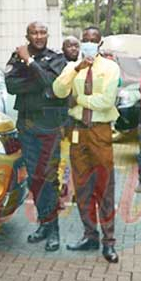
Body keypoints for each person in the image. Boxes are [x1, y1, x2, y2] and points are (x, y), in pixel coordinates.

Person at [52, 26, 121, 263]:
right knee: (82, 186)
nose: (89, 43)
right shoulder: (72, 67)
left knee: (105, 186)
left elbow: (106, 101)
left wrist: (78, 98)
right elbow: (59, 91)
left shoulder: (110, 68)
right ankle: (89, 234)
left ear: (100, 44)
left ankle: (109, 242)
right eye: (85, 40)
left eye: (93, 40)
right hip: (78, 132)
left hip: (100, 132)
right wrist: (75, 71)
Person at [5, 21, 68, 252]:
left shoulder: (57, 59)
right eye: (34, 32)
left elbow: (51, 84)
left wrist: (30, 64)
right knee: (35, 178)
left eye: (42, 32)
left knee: (49, 178)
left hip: (49, 127)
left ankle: (54, 232)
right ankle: (45, 224)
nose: (39, 36)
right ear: (27, 35)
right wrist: (38, 81)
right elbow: (11, 85)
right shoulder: (16, 57)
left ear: (47, 35)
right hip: (27, 126)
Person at [57, 35, 80, 198]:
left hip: (79, 123)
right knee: (63, 156)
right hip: (62, 122)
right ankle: (61, 185)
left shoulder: (83, 66)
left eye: (76, 46)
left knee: (78, 155)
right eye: (69, 46)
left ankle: (76, 189)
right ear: (63, 49)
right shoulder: (58, 67)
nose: (73, 49)